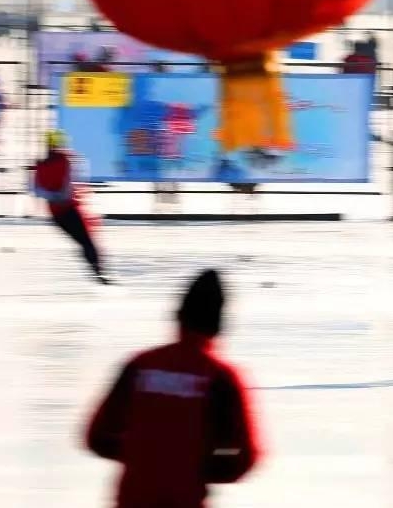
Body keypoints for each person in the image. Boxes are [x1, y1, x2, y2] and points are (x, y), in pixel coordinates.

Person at [86, 269, 260, 507]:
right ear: (219, 326)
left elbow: (96, 437)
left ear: (178, 316)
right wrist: (193, 466)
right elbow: (247, 457)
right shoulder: (220, 378)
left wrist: (145, 457)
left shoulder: (140, 366)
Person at [32, 130, 109, 284]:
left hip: (57, 213)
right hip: (68, 209)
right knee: (86, 241)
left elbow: (36, 190)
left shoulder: (42, 164)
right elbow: (66, 186)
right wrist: (60, 197)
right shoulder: (64, 160)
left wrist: (52, 196)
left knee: (83, 242)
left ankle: (97, 272)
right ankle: (98, 273)